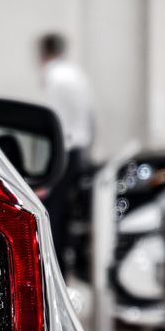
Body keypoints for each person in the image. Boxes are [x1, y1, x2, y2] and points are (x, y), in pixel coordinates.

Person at [38, 33, 95, 271]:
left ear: (43, 52)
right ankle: (67, 267)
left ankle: (56, 269)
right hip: (79, 151)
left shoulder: (53, 76)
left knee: (54, 215)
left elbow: (52, 120)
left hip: (64, 150)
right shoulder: (76, 75)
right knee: (68, 215)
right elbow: (90, 119)